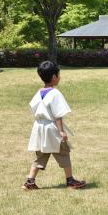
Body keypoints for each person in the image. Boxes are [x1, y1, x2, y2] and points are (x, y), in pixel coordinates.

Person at [22, 61, 86, 190]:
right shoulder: (55, 93)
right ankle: (70, 181)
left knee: (40, 155)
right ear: (54, 77)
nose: (59, 77)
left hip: (39, 128)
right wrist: (61, 131)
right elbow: (58, 115)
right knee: (63, 152)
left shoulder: (38, 93)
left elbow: (34, 109)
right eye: (58, 75)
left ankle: (30, 181)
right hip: (52, 128)